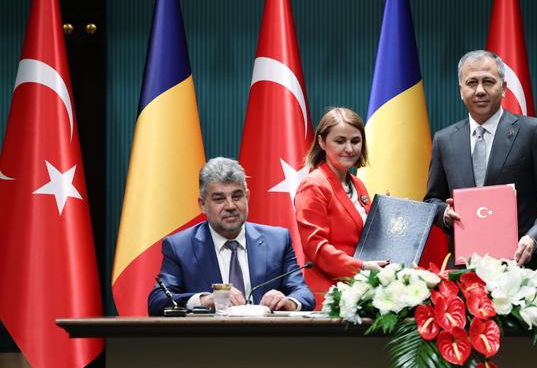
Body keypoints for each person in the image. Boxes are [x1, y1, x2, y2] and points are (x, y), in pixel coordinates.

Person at [424, 50, 537, 268]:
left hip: (521, 266)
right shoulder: (444, 140)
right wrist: (444, 214)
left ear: (503, 88)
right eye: (471, 83)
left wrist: (534, 237)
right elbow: (432, 200)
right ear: (461, 91)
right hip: (465, 269)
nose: (480, 90)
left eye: (488, 82)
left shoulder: (533, 132)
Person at [147, 157, 314, 315]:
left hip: (265, 334)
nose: (230, 206)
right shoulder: (180, 247)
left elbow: (303, 293)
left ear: (247, 197)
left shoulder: (277, 240)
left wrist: (288, 302)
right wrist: (205, 300)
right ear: (203, 205)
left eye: (237, 196)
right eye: (219, 199)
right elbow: (158, 301)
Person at [295, 107, 388, 308]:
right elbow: (316, 248)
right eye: (340, 141)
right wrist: (360, 268)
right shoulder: (313, 185)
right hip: (329, 298)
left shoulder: (358, 184)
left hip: (361, 294)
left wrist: (392, 215)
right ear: (322, 142)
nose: (349, 148)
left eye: (355, 141)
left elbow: (365, 237)